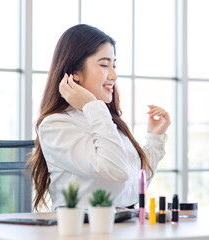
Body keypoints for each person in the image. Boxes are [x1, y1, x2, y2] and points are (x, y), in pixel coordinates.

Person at [28, 24, 170, 211]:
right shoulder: (56, 125)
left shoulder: (105, 121)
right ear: (75, 73)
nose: (113, 75)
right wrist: (93, 106)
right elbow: (116, 171)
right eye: (104, 65)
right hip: (82, 229)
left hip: (124, 224)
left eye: (114, 65)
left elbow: (132, 188)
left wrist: (154, 138)